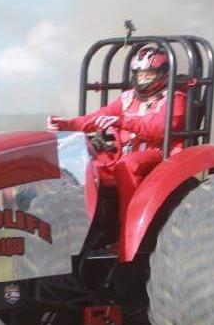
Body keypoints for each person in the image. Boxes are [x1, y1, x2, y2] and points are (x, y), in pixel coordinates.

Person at [48, 44, 186, 223]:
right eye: (140, 75)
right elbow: (99, 116)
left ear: (163, 74)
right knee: (87, 163)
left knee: (127, 165)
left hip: (159, 152)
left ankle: (129, 227)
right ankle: (86, 224)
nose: (143, 79)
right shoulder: (128, 97)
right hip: (124, 152)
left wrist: (123, 121)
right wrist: (67, 124)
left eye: (148, 75)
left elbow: (158, 129)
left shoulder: (176, 98)